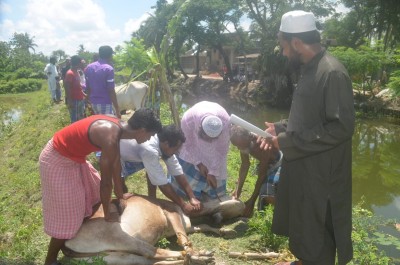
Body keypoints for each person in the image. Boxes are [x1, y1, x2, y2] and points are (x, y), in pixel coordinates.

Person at [258, 10, 355, 265]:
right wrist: (280, 128)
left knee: (318, 228)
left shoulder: (331, 72)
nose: (283, 51)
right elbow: (311, 119)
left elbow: (341, 127)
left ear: (297, 42)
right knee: (303, 224)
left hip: (323, 175)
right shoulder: (309, 70)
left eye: (283, 45)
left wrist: (288, 142)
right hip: (304, 167)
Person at [39, 108, 162, 265]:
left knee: (91, 190)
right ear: (142, 131)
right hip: (57, 160)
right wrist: (108, 214)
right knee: (69, 213)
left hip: (74, 157)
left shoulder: (117, 128)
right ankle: (50, 259)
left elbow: (116, 164)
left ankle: (76, 235)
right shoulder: (110, 136)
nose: (149, 138)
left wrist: (120, 194)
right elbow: (106, 182)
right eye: (150, 135)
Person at [120, 124, 201, 215]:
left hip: (138, 153)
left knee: (153, 171)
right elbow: (162, 184)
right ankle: (123, 205)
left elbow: (177, 171)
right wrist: (183, 205)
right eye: (175, 149)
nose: (176, 152)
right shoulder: (150, 149)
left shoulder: (164, 143)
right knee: (121, 187)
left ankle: (152, 199)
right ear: (166, 144)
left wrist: (191, 197)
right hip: (119, 153)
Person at [170, 101, 231, 202]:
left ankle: (210, 197)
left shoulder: (225, 124)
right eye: (207, 138)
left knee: (214, 185)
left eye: (213, 138)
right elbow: (187, 144)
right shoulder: (188, 120)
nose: (209, 141)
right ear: (200, 129)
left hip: (214, 151)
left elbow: (222, 150)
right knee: (186, 172)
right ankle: (186, 194)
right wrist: (198, 164)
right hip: (194, 143)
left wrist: (212, 172)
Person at [230, 125, 282, 217]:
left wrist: (252, 200)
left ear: (250, 137)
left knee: (267, 191)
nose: (239, 148)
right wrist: (238, 190)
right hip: (266, 164)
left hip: (279, 163)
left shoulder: (262, 144)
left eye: (241, 145)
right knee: (263, 192)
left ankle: (277, 215)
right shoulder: (243, 143)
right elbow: (245, 165)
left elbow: (262, 175)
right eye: (237, 146)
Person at [85, 45, 120, 118]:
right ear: (110, 56)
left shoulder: (89, 67)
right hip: (105, 102)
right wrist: (117, 108)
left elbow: (87, 87)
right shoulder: (108, 69)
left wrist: (88, 101)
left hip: (93, 103)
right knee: (106, 125)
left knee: (97, 124)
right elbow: (111, 90)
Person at [64, 55, 86, 123]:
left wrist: (83, 94)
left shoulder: (76, 72)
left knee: (81, 117)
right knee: (75, 119)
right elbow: (66, 87)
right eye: (81, 62)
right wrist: (70, 100)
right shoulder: (70, 73)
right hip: (74, 100)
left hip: (80, 98)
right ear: (78, 63)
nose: (82, 64)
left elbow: (78, 85)